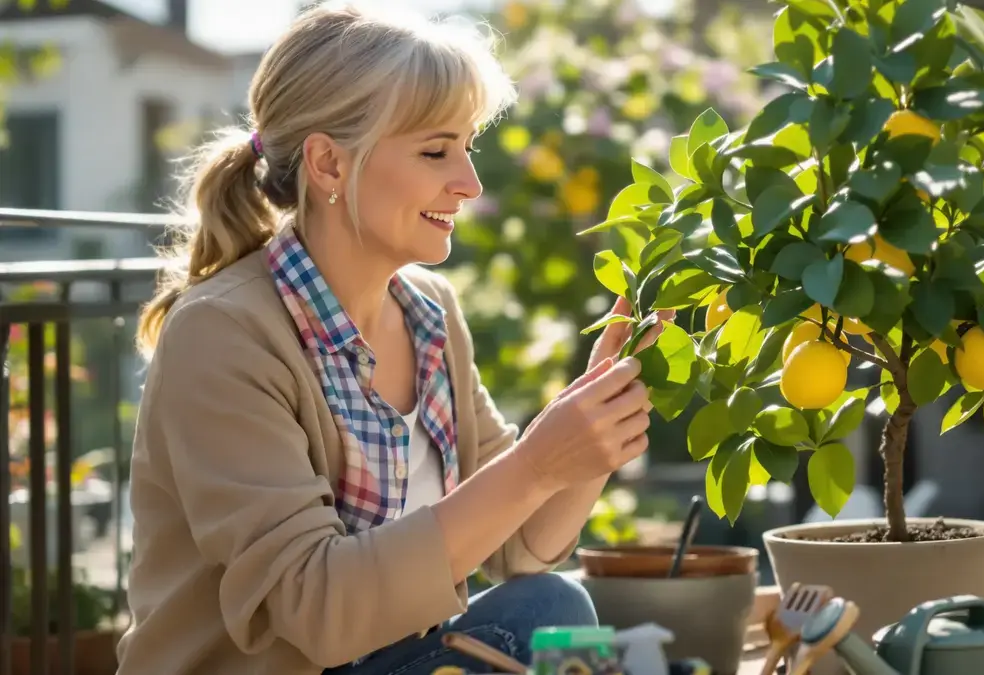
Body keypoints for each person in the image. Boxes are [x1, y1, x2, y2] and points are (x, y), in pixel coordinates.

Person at [115, 3, 673, 674]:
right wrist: (536, 463)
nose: (468, 183)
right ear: (328, 165)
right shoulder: (223, 334)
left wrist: (598, 424)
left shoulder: (428, 312)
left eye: (468, 146)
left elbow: (523, 547)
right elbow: (319, 609)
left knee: (550, 605)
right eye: (436, 150)